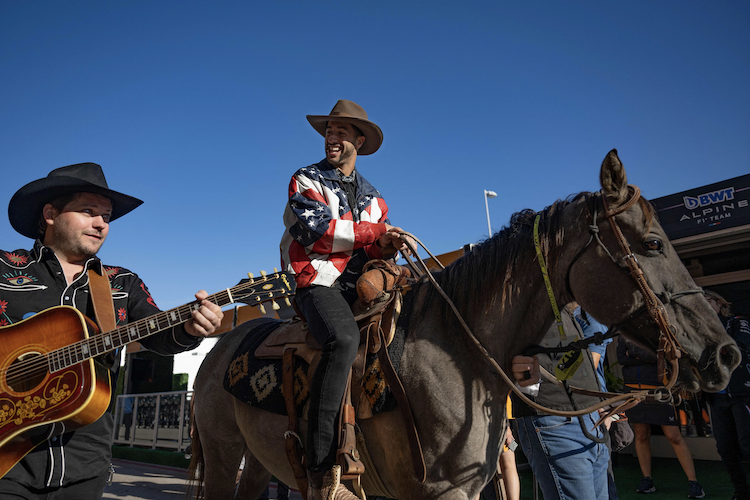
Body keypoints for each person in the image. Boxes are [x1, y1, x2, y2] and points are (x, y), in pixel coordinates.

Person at [0, 163, 224, 499]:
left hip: (84, 470)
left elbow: (159, 334)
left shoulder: (121, 284)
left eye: (106, 216)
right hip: (8, 468)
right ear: (50, 213)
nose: (101, 224)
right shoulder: (4, 270)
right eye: (88, 211)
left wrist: (191, 328)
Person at [279, 100, 410, 500]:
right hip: (317, 282)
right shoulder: (305, 180)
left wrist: (385, 245)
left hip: (359, 287)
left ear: (359, 139)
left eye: (340, 132)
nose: (331, 138)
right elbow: (319, 232)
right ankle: (320, 466)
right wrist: (376, 232)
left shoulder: (375, 198)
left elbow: (367, 250)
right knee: (344, 340)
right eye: (328, 131)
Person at [510, 305, 611, 500]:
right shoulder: (525, 303)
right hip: (555, 422)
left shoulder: (570, 314)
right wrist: (516, 373)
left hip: (589, 421)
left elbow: (569, 373)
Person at [617, 336, 705, 498]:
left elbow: (659, 357)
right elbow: (621, 358)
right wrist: (647, 357)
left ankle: (694, 482)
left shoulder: (654, 331)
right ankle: (647, 479)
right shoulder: (625, 333)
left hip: (659, 389)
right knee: (641, 434)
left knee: (673, 436)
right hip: (633, 389)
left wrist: (637, 357)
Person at [704, 290, 750, 500]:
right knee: (725, 448)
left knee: (747, 445)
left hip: (741, 394)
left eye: (708, 300)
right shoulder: (701, 331)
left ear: (720, 303)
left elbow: (738, 349)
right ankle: (741, 492)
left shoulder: (737, 322)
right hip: (717, 397)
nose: (704, 304)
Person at [574, 305, 620, 500]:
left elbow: (587, 370)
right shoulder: (560, 316)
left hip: (592, 411)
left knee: (602, 487)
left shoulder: (589, 317)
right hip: (564, 412)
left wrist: (601, 408)